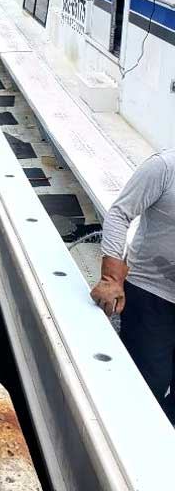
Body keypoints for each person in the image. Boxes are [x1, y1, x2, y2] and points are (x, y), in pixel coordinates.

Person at [91, 147, 175, 423]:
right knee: (150, 379)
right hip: (151, 292)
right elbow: (120, 213)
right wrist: (111, 279)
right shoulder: (164, 167)